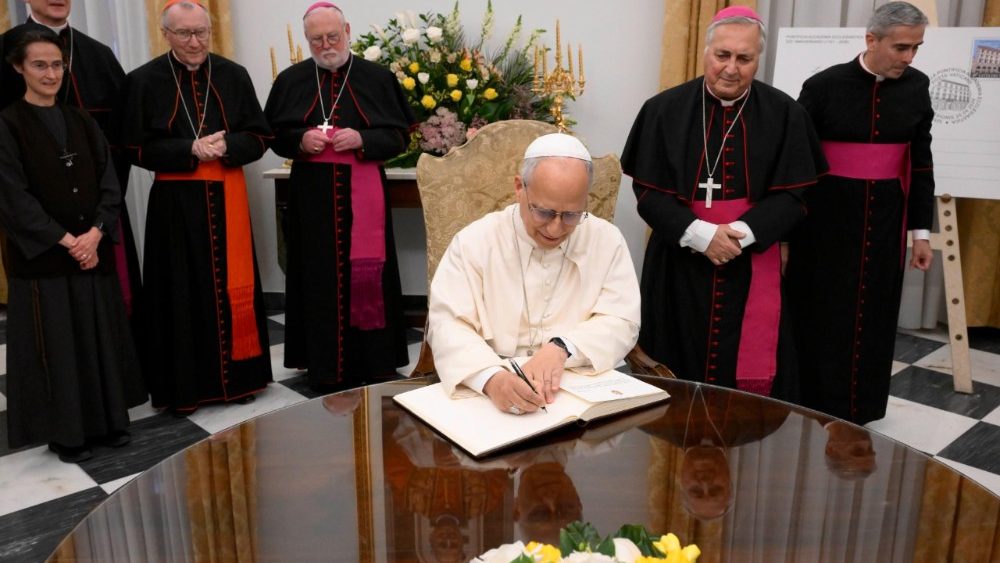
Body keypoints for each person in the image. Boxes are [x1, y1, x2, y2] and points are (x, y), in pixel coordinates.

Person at [621, 6, 826, 400]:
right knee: (671, 367)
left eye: (744, 58)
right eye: (723, 55)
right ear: (706, 51)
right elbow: (648, 195)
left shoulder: (785, 114)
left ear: (757, 60)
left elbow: (795, 195)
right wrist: (700, 235)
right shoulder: (664, 110)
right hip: (678, 264)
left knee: (746, 386)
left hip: (751, 260)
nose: (731, 68)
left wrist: (742, 234)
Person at [116, 0, 272, 414]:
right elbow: (132, 146)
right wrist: (189, 149)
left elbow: (259, 136)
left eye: (202, 32)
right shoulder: (144, 80)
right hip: (175, 205)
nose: (195, 41)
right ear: (165, 33)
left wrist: (226, 146)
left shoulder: (233, 76)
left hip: (229, 197)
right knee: (179, 294)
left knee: (229, 289)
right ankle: (183, 389)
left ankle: (240, 381)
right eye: (184, 33)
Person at [786, 1, 934, 425]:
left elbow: (920, 163)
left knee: (875, 312)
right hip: (825, 219)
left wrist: (919, 232)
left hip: (887, 219)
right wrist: (785, 233)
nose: (909, 58)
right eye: (901, 47)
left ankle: (863, 406)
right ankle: (811, 402)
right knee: (821, 311)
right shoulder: (823, 86)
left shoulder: (917, 86)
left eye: (916, 48)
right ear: (872, 39)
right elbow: (796, 162)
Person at [0, 31, 145, 463]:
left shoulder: (82, 120)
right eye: (40, 65)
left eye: (57, 65)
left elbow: (108, 182)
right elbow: (12, 196)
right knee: (59, 344)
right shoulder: (6, 124)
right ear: (18, 68)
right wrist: (66, 240)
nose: (50, 73)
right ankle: (68, 433)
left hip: (91, 249)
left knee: (99, 337)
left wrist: (96, 233)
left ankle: (110, 421)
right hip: (44, 258)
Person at [427, 133, 641, 415]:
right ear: (519, 188)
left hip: (579, 384)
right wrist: (491, 379)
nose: (555, 229)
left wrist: (562, 348)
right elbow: (447, 324)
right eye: (543, 212)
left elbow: (622, 319)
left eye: (571, 215)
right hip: (491, 381)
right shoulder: (475, 241)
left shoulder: (606, 239)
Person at [264, 2, 414, 392]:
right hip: (311, 199)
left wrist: (363, 138)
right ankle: (322, 363)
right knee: (315, 276)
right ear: (307, 40)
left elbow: (400, 136)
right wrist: (300, 139)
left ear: (347, 31)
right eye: (317, 39)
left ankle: (376, 361)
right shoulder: (292, 79)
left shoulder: (376, 78)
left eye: (333, 36)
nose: (326, 44)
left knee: (372, 275)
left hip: (364, 194)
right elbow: (271, 136)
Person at [0, 0, 142, 317]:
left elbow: (121, 137)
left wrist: (101, 217)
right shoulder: (5, 50)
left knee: (107, 311)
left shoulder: (99, 54)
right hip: (33, 214)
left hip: (96, 214)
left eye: (56, 66)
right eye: (40, 66)